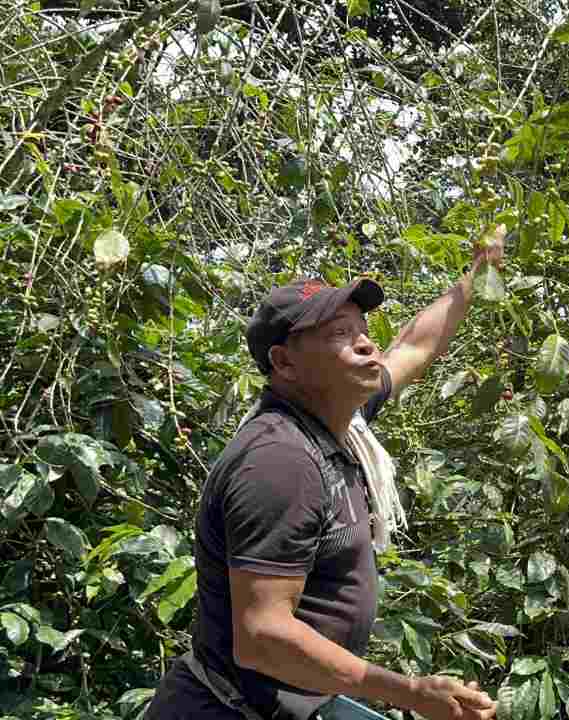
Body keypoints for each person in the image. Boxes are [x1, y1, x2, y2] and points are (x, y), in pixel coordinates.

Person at [144, 227, 507, 720]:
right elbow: (263, 638)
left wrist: (478, 274)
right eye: (339, 334)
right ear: (284, 362)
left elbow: (414, 346)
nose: (364, 345)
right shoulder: (279, 462)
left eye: (362, 330)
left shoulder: (337, 421)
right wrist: (409, 691)